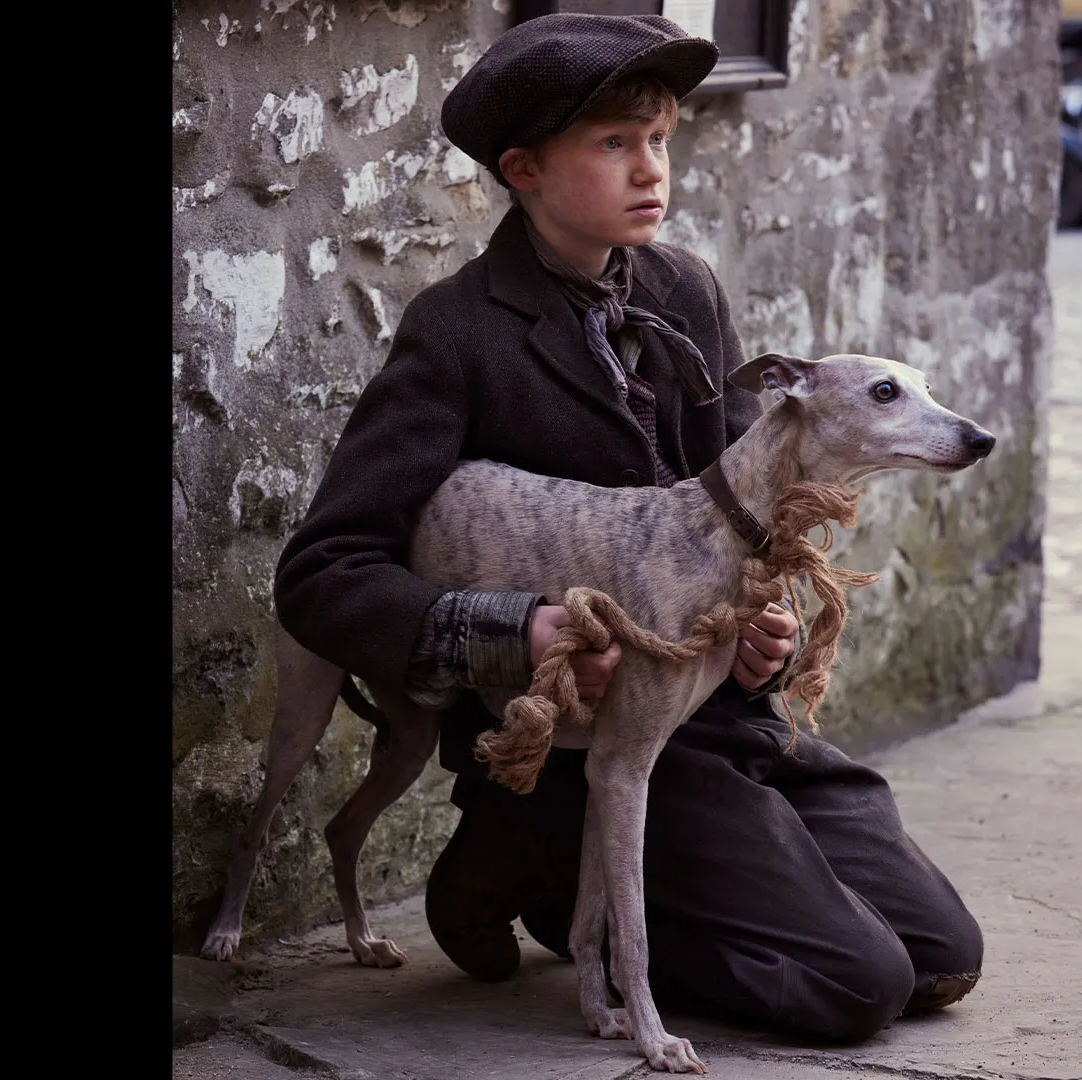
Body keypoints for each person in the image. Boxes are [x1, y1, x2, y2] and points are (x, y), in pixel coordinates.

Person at [273, 12, 982, 1044]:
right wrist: (518, 630)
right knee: (856, 984)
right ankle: (530, 852)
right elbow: (325, 573)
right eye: (613, 144)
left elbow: (753, 504)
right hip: (578, 739)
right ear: (523, 169)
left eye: (659, 139)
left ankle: (602, 867)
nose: (651, 169)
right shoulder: (457, 333)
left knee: (941, 958)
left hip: (715, 714)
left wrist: (762, 629)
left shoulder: (685, 290)